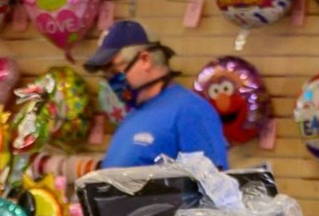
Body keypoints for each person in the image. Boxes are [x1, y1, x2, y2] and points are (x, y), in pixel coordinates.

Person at [86, 20, 230, 171]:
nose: (111, 80)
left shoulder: (190, 110)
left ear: (145, 60)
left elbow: (213, 184)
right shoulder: (133, 114)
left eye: (114, 71)